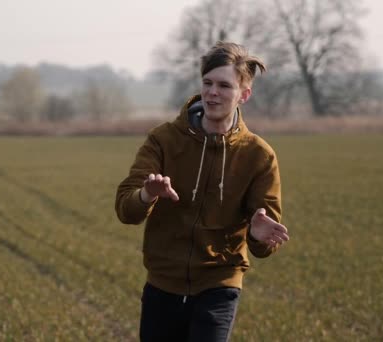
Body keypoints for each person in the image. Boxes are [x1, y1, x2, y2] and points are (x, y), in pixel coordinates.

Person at [115, 41, 290, 342]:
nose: (212, 92)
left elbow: (266, 243)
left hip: (219, 286)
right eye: (207, 83)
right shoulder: (163, 140)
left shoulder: (259, 156)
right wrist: (147, 195)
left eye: (224, 85)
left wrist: (258, 236)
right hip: (162, 285)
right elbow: (125, 209)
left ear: (243, 94)